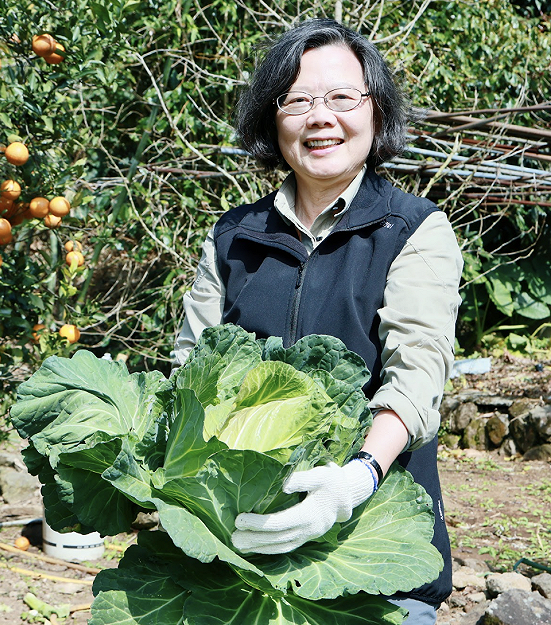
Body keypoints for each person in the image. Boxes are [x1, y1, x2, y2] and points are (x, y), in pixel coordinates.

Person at [172, 18, 463, 625]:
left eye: (341, 97)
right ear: (272, 118)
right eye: (298, 100)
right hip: (238, 542)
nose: (320, 117)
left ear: (376, 110)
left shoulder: (413, 229)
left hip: (370, 540)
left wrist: (354, 479)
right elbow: (189, 372)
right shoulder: (233, 237)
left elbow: (417, 374)